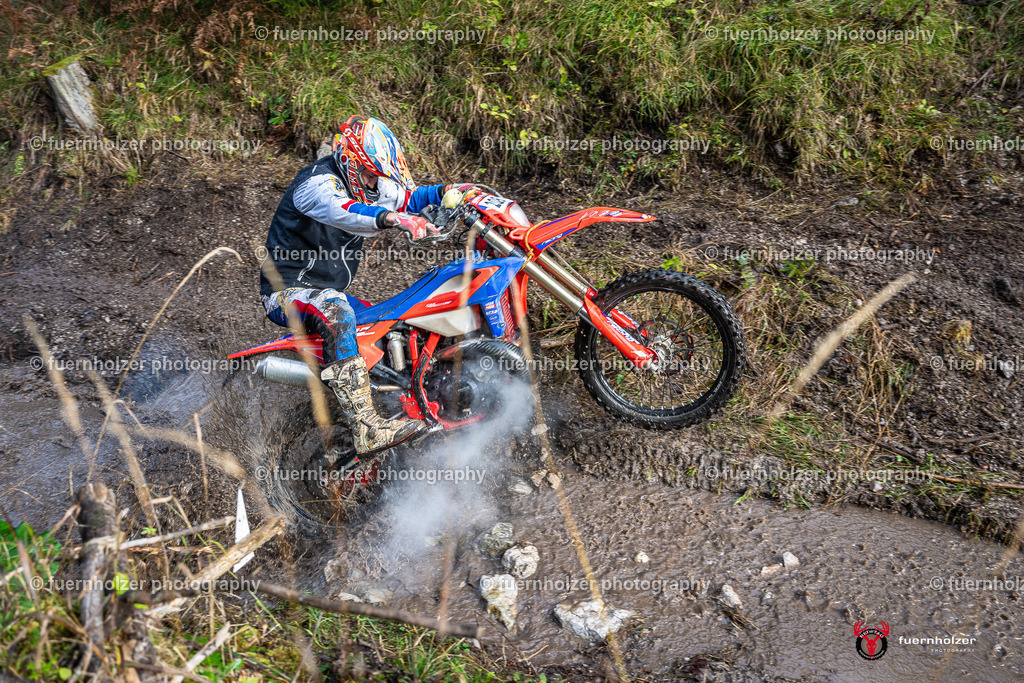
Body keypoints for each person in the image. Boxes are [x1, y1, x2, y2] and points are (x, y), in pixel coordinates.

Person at [259, 115, 454, 454]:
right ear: (349, 161)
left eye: (378, 175)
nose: (375, 182)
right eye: (370, 173)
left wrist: (450, 193)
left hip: (331, 293)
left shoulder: (370, 183)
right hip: (287, 293)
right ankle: (367, 428)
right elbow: (344, 210)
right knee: (337, 312)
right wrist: (395, 219)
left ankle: (408, 407)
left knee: (396, 322)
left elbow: (409, 197)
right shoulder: (316, 184)